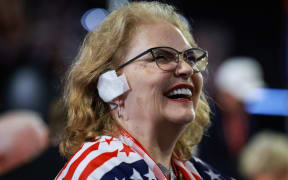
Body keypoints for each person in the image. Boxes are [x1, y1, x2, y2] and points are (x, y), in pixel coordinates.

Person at [56, 2, 233, 180]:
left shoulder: (197, 173)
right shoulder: (98, 172)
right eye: (162, 57)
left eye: (191, 58)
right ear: (111, 85)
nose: (187, 69)